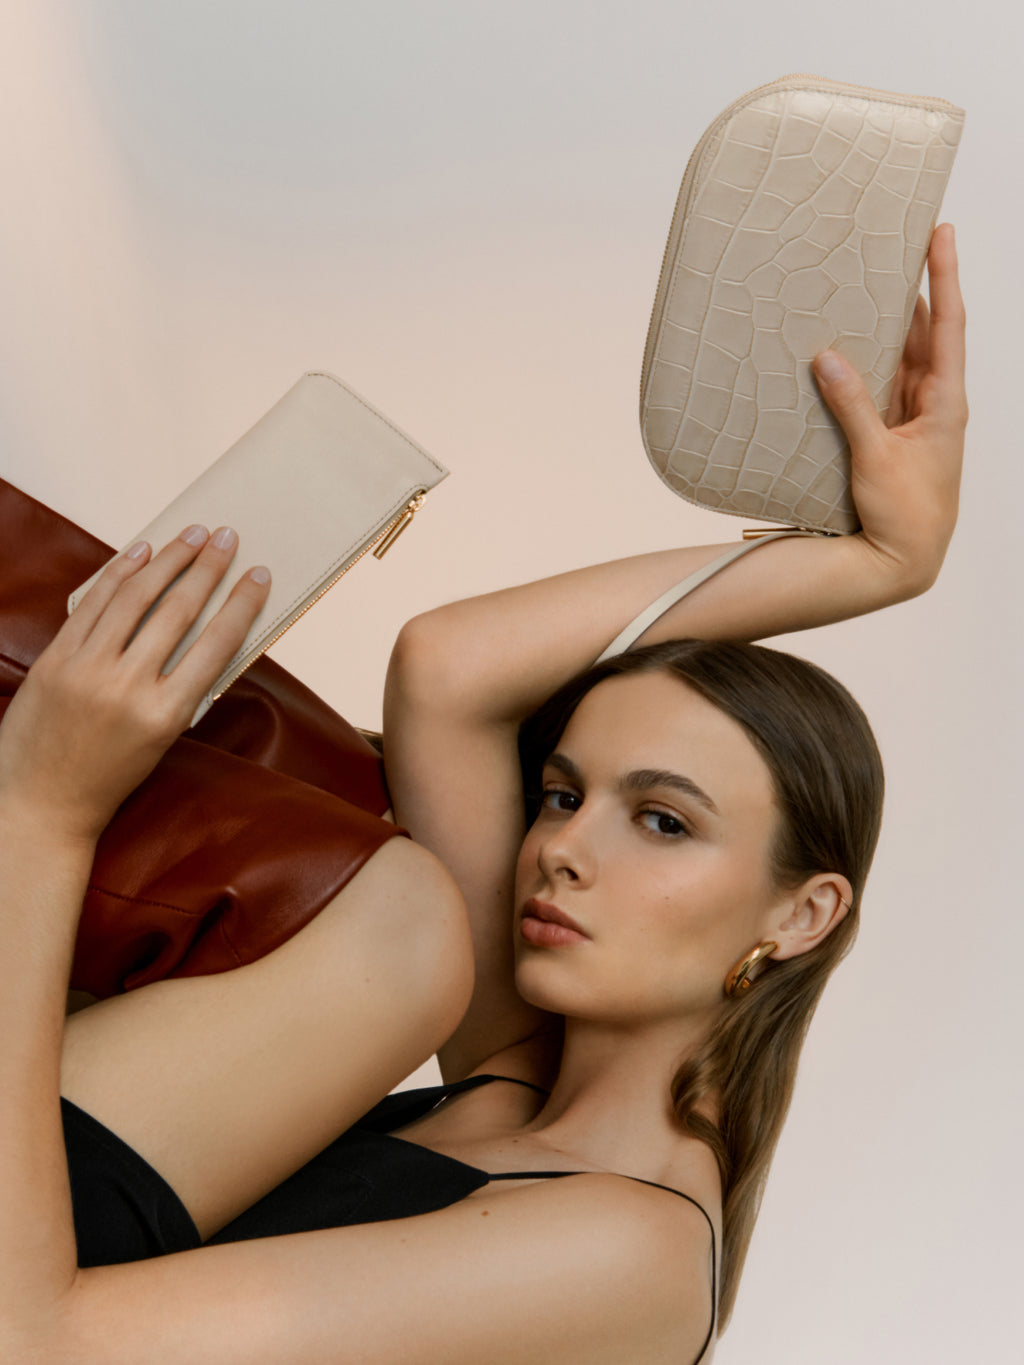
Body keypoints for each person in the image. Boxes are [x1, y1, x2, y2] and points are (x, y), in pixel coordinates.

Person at [0, 224, 966, 1363]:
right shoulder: (506, 1091)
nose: (561, 849)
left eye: (663, 821)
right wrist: (872, 566)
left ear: (800, 913)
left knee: (400, 916)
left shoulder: (632, 1249)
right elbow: (449, 671)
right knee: (407, 919)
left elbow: (38, 1347)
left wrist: (41, 815)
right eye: (562, 796)